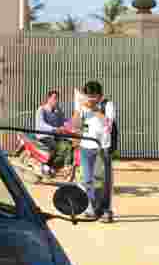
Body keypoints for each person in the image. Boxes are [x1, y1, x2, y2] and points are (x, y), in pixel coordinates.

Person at [71, 80, 117, 221]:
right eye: (88, 95)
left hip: (102, 148)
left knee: (103, 181)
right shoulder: (83, 106)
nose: (90, 98)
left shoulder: (107, 105)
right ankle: (91, 208)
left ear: (100, 96)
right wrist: (79, 109)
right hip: (86, 147)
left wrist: (95, 109)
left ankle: (106, 210)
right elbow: (75, 125)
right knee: (87, 180)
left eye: (93, 96)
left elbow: (108, 124)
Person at [34, 89, 70, 177]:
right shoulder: (41, 109)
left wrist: (71, 124)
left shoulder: (58, 111)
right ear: (48, 99)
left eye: (57, 98)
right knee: (55, 147)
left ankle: (60, 167)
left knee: (68, 145)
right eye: (54, 98)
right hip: (43, 135)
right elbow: (41, 124)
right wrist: (54, 129)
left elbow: (63, 121)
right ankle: (47, 166)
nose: (56, 100)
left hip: (54, 135)